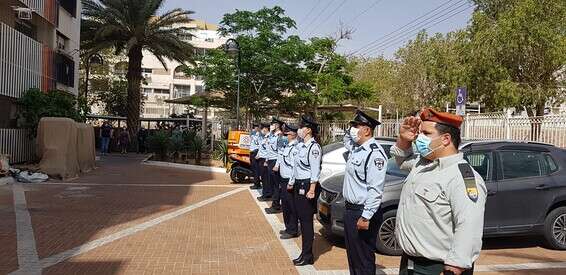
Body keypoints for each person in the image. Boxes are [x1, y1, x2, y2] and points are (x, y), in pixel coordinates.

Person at [391, 108, 487, 275]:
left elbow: (469, 225)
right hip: (410, 263)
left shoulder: (462, 177)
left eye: (426, 134)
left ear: (446, 139)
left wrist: (454, 267)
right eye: (419, 133)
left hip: (438, 268)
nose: (419, 138)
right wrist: (403, 140)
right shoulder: (423, 164)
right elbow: (401, 159)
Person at [342, 110, 387, 275]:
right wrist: (350, 129)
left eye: (356, 126)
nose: (353, 129)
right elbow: (346, 140)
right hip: (351, 210)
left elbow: (375, 189)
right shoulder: (358, 148)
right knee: (354, 256)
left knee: (363, 259)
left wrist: (366, 216)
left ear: (367, 130)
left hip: (362, 212)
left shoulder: (374, 154)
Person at [289, 115, 321, 266]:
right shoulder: (301, 145)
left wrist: (312, 189)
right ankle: (304, 253)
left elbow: (315, 171)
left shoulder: (314, 148)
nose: (299, 129)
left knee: (307, 222)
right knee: (302, 220)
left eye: (302, 127)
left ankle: (308, 255)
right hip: (298, 185)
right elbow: (296, 167)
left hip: (307, 186)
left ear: (308, 130)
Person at [273, 124, 300, 239]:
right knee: (285, 205)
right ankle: (288, 227)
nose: (286, 136)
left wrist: (291, 182)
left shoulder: (294, 149)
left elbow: (294, 167)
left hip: (289, 181)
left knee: (290, 206)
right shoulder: (287, 146)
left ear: (293, 135)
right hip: (283, 180)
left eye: (287, 134)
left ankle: (292, 229)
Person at [265, 117, 285, 213]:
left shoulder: (280, 136)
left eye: (273, 124)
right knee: (272, 185)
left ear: (277, 125)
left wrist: (277, 165)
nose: (271, 125)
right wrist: (267, 160)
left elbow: (280, 152)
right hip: (270, 161)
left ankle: (276, 205)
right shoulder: (272, 135)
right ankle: (275, 203)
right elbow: (269, 149)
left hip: (275, 162)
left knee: (276, 185)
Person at [256, 123, 272, 201]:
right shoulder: (265, 137)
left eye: (262, 128)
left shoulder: (269, 137)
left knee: (265, 178)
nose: (262, 130)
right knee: (263, 178)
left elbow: (269, 151)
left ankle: (267, 194)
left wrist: (266, 160)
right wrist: (259, 155)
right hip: (262, 159)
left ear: (266, 129)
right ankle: (265, 193)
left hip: (265, 160)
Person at [249, 123, 262, 190]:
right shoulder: (252, 133)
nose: (255, 128)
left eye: (256, 127)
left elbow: (260, 145)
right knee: (254, 169)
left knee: (256, 169)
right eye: (254, 127)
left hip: (255, 152)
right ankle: (255, 183)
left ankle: (257, 184)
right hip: (251, 152)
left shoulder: (259, 135)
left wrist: (258, 154)